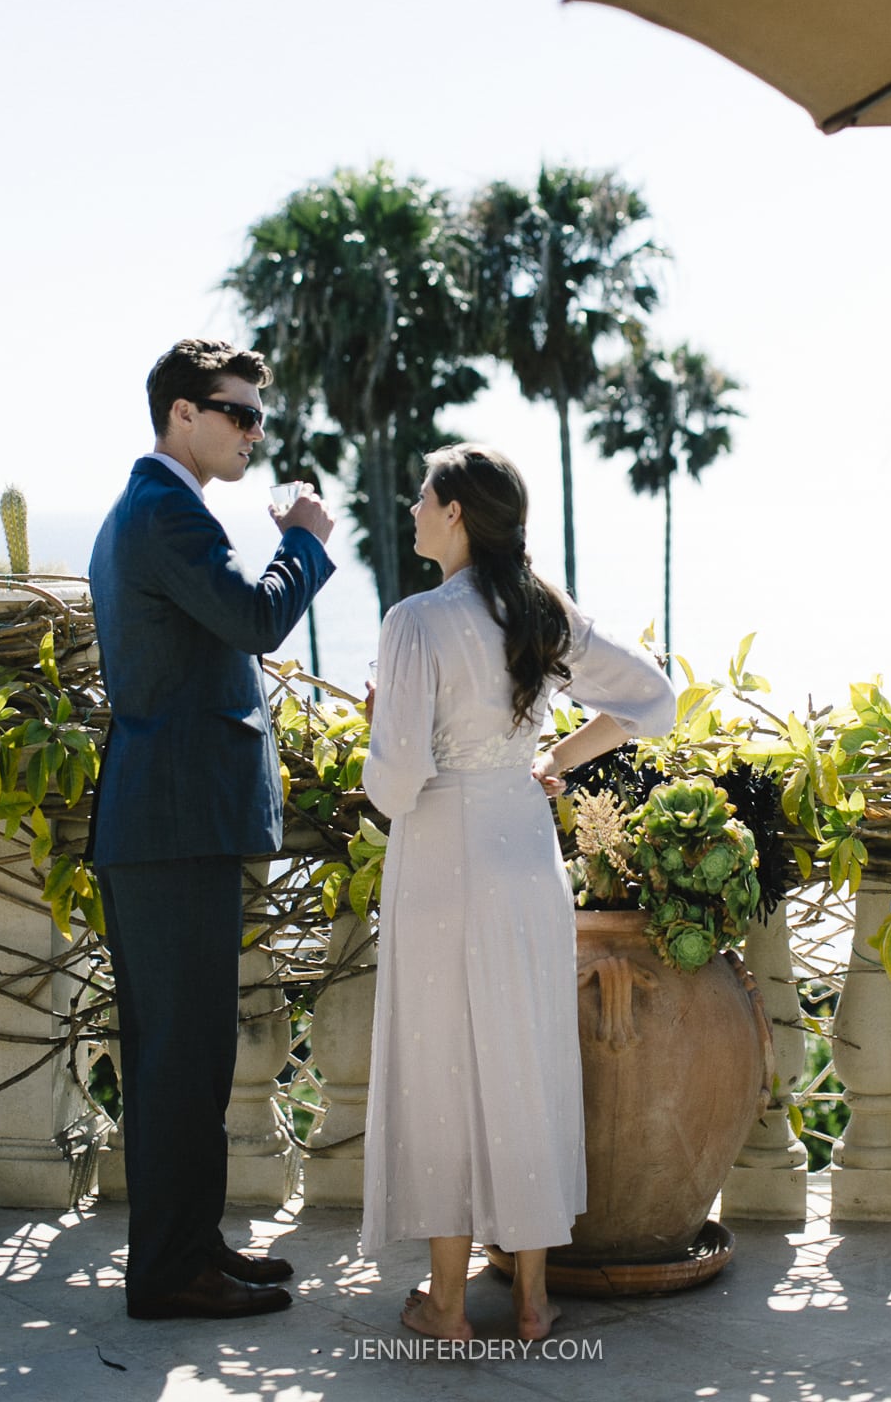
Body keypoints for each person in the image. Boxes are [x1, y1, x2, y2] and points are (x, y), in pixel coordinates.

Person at [359, 443, 676, 1342]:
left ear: (455, 512)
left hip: (439, 854)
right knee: (524, 1053)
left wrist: (385, 718)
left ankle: (449, 1303)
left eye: (423, 494)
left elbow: (395, 781)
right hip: (523, 851)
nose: (412, 506)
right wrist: (556, 758)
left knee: (441, 1060)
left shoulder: (415, 620)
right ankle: (534, 1300)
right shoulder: (541, 611)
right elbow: (654, 698)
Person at [89, 337, 336, 1322]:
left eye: (257, 417)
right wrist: (306, 539)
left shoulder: (159, 509)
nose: (252, 432)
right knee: (180, 1059)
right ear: (180, 414)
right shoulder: (161, 510)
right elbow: (254, 619)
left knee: (180, 1057)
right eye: (236, 413)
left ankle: (187, 1249)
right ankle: (168, 1274)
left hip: (167, 823)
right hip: (172, 825)